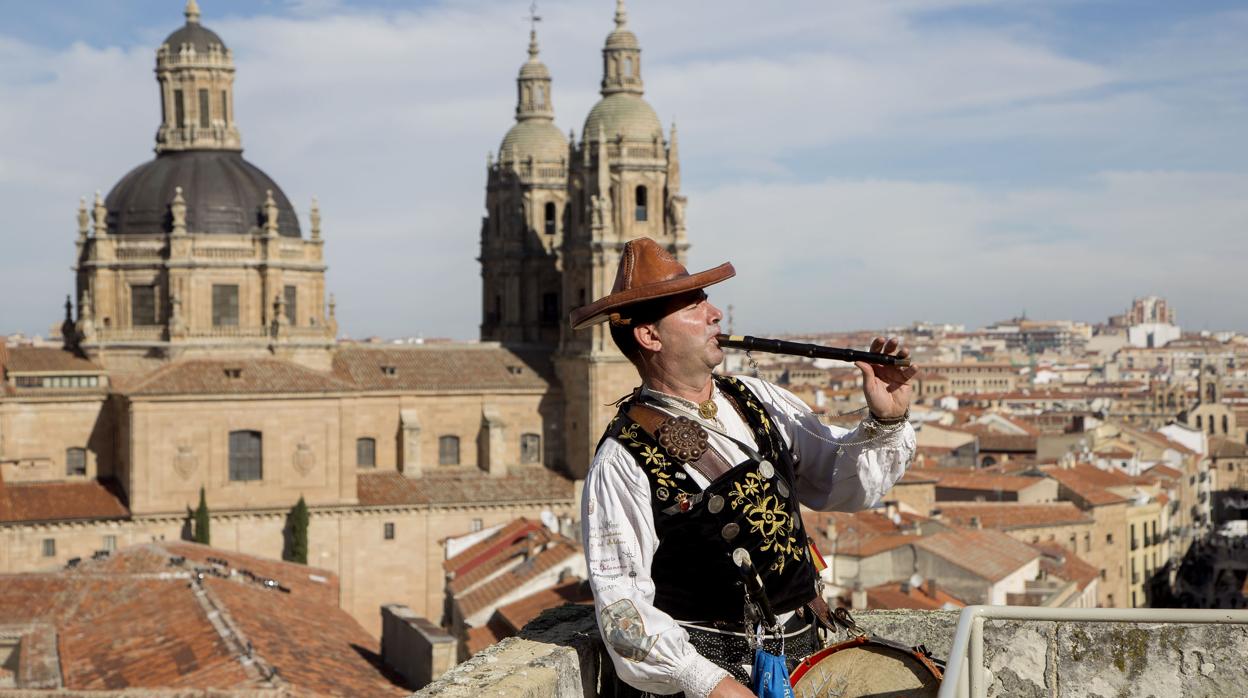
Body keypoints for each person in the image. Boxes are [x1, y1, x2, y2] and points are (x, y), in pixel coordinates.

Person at [571, 237, 917, 698]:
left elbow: (839, 484)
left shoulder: (758, 399)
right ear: (650, 336)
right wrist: (708, 683)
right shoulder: (622, 460)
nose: (715, 313)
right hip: (711, 685)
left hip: (803, 659)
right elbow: (622, 606)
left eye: (706, 300)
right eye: (693, 305)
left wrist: (885, 419)